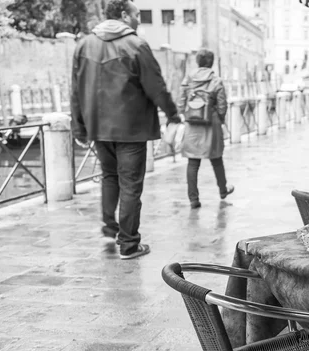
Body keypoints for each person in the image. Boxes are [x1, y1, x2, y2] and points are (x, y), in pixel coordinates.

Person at [71, 0, 181, 260]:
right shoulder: (136, 45)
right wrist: (173, 114)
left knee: (110, 177)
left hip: (99, 128)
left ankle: (110, 230)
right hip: (131, 128)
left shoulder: (84, 45)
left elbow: (75, 90)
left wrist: (79, 128)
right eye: (136, 15)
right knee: (131, 185)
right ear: (123, 15)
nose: (138, 20)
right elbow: (156, 86)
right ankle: (129, 244)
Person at [178, 49, 233, 209]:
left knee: (193, 162)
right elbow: (222, 105)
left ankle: (193, 199)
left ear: (197, 62)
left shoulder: (188, 78)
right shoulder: (216, 80)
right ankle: (223, 190)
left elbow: (181, 102)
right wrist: (220, 120)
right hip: (211, 124)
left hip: (192, 124)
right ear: (211, 62)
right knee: (216, 159)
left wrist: (186, 114)